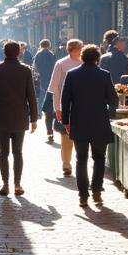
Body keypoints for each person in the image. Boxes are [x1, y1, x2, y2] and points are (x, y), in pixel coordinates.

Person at [61, 44, 118, 207]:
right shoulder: (104, 75)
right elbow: (113, 100)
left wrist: (66, 121)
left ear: (82, 57)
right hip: (99, 122)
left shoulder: (71, 75)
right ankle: (97, 191)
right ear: (97, 58)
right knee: (99, 158)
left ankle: (83, 195)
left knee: (81, 159)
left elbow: (65, 100)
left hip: (79, 122)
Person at [0, 41, 38, 196]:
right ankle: (17, 184)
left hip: (1, 116)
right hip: (20, 116)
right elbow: (31, 96)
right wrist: (34, 118)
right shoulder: (25, 70)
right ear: (19, 52)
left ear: (3, 52)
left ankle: (5, 184)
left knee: (3, 152)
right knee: (18, 152)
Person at [47, 38, 83, 177]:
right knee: (66, 138)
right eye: (79, 48)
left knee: (81, 138)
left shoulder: (84, 62)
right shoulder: (61, 63)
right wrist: (57, 108)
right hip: (65, 105)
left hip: (82, 106)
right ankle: (66, 165)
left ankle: (81, 162)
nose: (80, 51)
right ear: (72, 49)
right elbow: (55, 87)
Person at [32, 39, 57, 142]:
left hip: (42, 80)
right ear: (49, 45)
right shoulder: (52, 54)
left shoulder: (38, 55)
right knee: (52, 101)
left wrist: (38, 74)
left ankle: (40, 111)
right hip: (52, 80)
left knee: (43, 99)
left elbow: (35, 68)